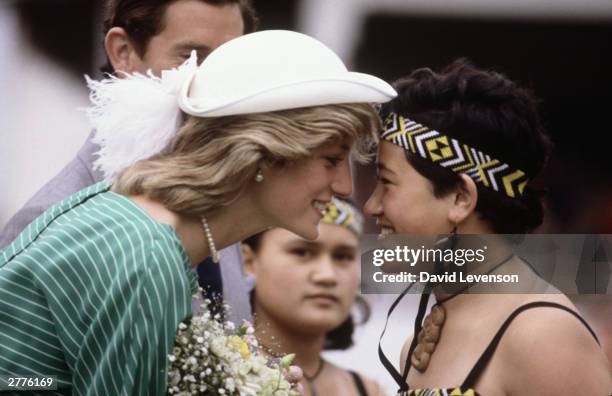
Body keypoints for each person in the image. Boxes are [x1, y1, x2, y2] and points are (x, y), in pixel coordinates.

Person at [0, 30, 396, 395]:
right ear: (263, 153)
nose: (345, 186)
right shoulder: (146, 257)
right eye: (330, 159)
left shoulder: (142, 226)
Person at [0, 0, 258, 323]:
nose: (217, 83)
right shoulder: (48, 223)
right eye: (192, 57)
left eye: (228, 63)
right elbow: (17, 376)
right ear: (123, 52)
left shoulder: (226, 200)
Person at [364, 60, 611, 394]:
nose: (371, 206)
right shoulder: (418, 345)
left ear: (461, 198)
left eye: (387, 182)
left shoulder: (542, 336)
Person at [242, 198, 384, 396]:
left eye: (343, 256)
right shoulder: (221, 373)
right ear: (248, 261)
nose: (327, 275)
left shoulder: (368, 390)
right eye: (302, 252)